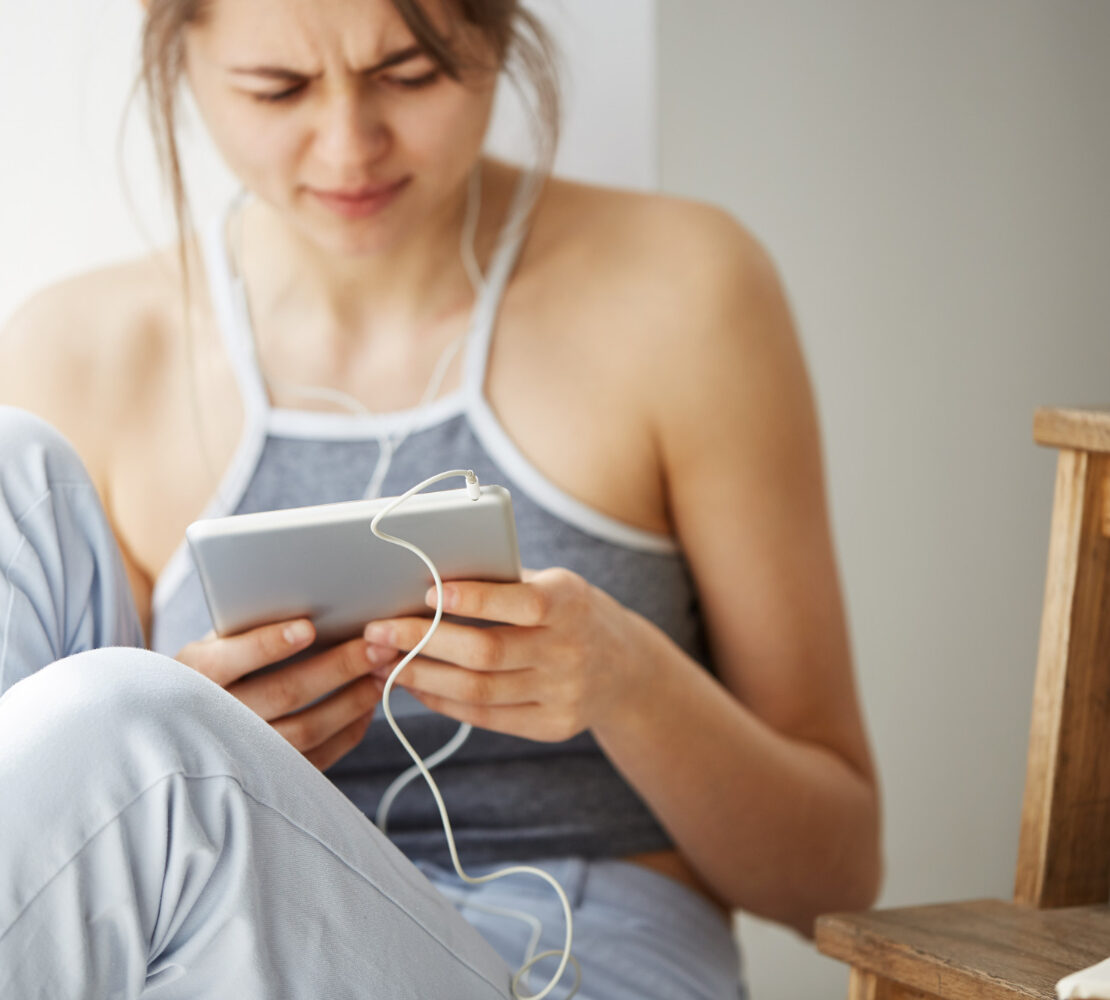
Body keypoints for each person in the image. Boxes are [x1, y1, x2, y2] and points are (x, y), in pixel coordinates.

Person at [0, 0, 882, 997]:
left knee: (137, 731)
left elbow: (835, 875)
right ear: (185, 60)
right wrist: (212, 733)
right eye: (278, 89)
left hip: (579, 968)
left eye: (410, 74)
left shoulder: (683, 291)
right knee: (13, 470)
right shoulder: (83, 348)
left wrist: (626, 680)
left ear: (499, 34)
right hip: (218, 957)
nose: (349, 146)